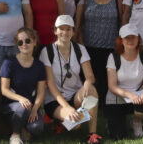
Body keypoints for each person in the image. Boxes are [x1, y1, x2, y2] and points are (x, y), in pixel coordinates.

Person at [40, 15, 102, 144]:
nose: (65, 32)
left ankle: (92, 135)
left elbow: (90, 76)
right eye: (61, 29)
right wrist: (67, 108)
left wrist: (87, 83)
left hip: (75, 95)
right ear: (55, 31)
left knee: (92, 91)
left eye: (68, 29)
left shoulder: (80, 49)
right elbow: (50, 85)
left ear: (73, 31)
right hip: (54, 99)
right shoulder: (47, 51)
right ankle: (60, 121)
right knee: (74, 124)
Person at [75, 0, 122, 106]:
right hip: (89, 46)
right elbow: (79, 22)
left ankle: (105, 106)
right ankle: (92, 104)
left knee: (107, 77)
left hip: (110, 46)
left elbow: (120, 21)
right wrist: (80, 42)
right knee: (91, 77)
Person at [105, 24, 143, 140]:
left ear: (138, 39)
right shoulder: (113, 57)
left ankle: (136, 121)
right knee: (118, 136)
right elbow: (112, 86)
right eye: (127, 37)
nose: (130, 40)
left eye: (133, 37)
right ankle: (113, 123)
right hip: (118, 96)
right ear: (121, 40)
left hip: (137, 96)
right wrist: (129, 95)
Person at [0, 27, 46, 144]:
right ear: (17, 45)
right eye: (20, 42)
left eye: (28, 41)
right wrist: (20, 98)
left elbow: (41, 92)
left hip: (30, 106)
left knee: (37, 128)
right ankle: (15, 135)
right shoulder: (9, 63)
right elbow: (4, 90)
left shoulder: (39, 65)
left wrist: (35, 109)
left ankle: (24, 128)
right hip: (11, 107)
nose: (24, 44)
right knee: (21, 108)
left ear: (34, 42)